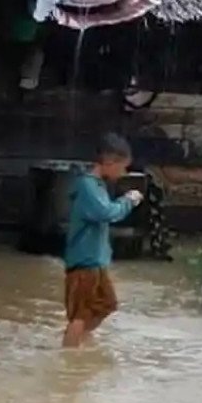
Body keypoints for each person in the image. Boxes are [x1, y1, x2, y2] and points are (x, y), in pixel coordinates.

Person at [62, 133, 144, 348]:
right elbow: (106, 212)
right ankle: (68, 356)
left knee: (106, 305)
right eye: (122, 166)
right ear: (109, 162)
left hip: (95, 261)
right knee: (80, 314)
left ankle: (79, 341)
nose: (123, 172)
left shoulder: (96, 186)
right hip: (84, 262)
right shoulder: (88, 186)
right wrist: (128, 201)